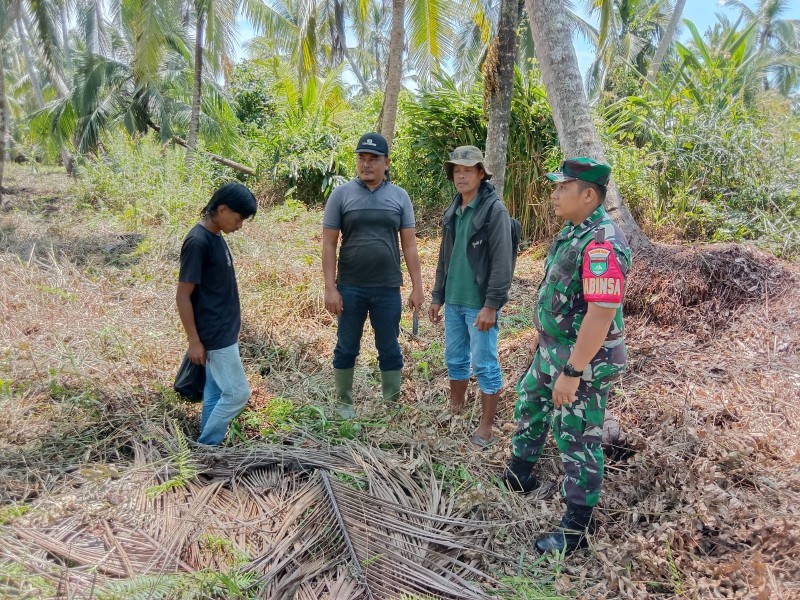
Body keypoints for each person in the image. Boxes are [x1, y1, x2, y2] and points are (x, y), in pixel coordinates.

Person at [503, 157, 631, 554]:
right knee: (530, 403)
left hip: (583, 361)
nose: (554, 193)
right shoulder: (575, 231)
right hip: (553, 350)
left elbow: (601, 313)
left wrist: (573, 372)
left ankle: (577, 528)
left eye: (563, 187)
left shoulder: (602, 243)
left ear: (588, 195)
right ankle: (520, 474)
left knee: (576, 436)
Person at [322, 133, 424, 418]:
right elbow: (329, 244)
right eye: (361, 158)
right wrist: (330, 288)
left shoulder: (399, 197)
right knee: (346, 346)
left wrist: (417, 286)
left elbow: (410, 245)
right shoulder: (341, 195)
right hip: (350, 287)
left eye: (373, 159)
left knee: (389, 347)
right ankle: (344, 403)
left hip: (388, 288)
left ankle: (391, 405)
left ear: (386, 162)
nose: (366, 164)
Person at [428, 146, 514, 449]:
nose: (461, 176)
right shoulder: (454, 210)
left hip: (479, 304)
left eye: (467, 170)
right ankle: (456, 409)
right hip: (454, 300)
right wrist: (437, 295)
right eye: (456, 170)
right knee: (455, 359)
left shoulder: (494, 211)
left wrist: (491, 305)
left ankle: (486, 426)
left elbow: (503, 263)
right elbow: (445, 257)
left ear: (480, 173)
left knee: (485, 364)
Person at [176, 182, 258, 446]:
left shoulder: (215, 236)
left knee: (214, 391)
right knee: (237, 394)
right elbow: (183, 295)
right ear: (222, 210)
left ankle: (208, 446)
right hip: (215, 333)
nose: (240, 225)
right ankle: (207, 445)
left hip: (224, 330)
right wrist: (194, 341)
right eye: (238, 218)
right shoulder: (198, 242)